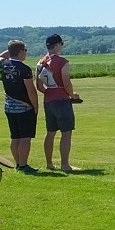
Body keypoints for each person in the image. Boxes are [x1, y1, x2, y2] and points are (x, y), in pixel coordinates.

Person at [35, 33, 80, 172]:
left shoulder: (40, 62)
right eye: (61, 44)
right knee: (66, 133)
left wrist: (49, 92)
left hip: (48, 100)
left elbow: (39, 85)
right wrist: (73, 95)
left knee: (50, 132)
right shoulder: (62, 62)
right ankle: (65, 164)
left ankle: (49, 163)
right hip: (62, 99)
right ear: (57, 44)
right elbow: (66, 82)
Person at [0, 39, 40, 173]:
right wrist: (35, 106)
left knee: (14, 137)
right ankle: (23, 165)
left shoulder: (3, 64)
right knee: (25, 138)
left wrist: (11, 49)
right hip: (24, 107)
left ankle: (18, 163)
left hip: (9, 106)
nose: (26, 53)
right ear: (21, 52)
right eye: (25, 50)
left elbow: (0, 56)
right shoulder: (24, 69)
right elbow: (31, 90)